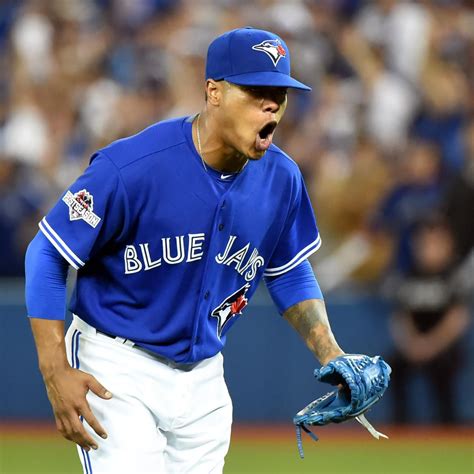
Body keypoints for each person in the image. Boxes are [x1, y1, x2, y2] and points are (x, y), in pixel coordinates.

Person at [25, 27, 348, 473]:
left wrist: (331, 353)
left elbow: (289, 270)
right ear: (213, 92)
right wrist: (54, 369)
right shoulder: (133, 167)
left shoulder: (282, 179)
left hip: (204, 380)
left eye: (279, 94)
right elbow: (47, 252)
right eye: (256, 92)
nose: (271, 105)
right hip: (117, 365)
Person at [388, 215, 470, 423]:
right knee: (392, 366)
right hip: (415, 344)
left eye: (436, 243)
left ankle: (447, 424)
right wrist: (412, 343)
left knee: (442, 368)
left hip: (443, 346)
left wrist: (432, 345)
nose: (429, 250)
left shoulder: (453, 276)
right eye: (425, 244)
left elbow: (457, 318)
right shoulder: (409, 275)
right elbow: (401, 317)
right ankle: (399, 424)